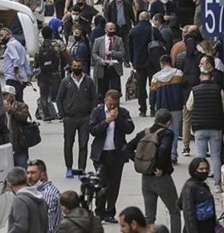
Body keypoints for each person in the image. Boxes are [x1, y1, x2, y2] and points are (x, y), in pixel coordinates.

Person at [123, 110, 181, 233]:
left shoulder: (143, 133)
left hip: (146, 178)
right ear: (168, 122)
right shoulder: (167, 134)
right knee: (174, 211)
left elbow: (127, 148)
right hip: (162, 178)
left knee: (149, 216)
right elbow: (164, 149)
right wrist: (158, 166)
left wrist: (141, 162)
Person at [89, 90, 135, 223]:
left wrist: (117, 119)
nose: (112, 107)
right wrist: (107, 121)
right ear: (105, 100)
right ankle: (99, 212)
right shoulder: (97, 112)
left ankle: (110, 212)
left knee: (114, 185)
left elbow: (130, 128)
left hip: (116, 154)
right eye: (110, 104)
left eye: (115, 104)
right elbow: (92, 130)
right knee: (102, 183)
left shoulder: (123, 112)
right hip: (101, 154)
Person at [185, 72, 224, 193]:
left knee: (200, 156)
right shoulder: (218, 90)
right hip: (216, 127)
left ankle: (200, 183)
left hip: (199, 127)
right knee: (215, 156)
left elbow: (189, 107)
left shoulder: (194, 90)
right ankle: (217, 185)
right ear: (212, 78)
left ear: (201, 77)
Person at [56, 59, 97, 177]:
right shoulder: (65, 81)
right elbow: (59, 98)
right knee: (68, 144)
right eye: (74, 66)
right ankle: (69, 167)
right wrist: (62, 114)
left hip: (85, 118)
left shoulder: (88, 81)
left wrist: (92, 113)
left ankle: (81, 169)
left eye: (78, 66)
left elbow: (94, 98)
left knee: (83, 145)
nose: (76, 68)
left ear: (82, 66)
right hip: (70, 118)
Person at [128, 12, 165, 117]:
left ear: (139, 18)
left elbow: (130, 48)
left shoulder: (133, 30)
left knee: (141, 86)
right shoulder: (154, 30)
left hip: (139, 62)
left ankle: (142, 109)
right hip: (152, 62)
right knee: (153, 86)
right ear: (149, 18)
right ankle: (153, 108)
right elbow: (162, 42)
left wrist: (132, 60)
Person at [149, 55, 185, 164]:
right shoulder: (178, 74)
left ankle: (164, 154)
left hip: (161, 107)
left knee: (162, 132)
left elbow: (152, 95)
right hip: (176, 106)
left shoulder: (155, 77)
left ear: (161, 64)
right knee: (174, 131)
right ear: (171, 62)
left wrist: (152, 106)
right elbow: (184, 88)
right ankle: (173, 154)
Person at [35, 26, 66, 121]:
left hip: (43, 73)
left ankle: (46, 115)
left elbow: (36, 61)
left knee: (43, 95)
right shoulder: (58, 43)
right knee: (58, 95)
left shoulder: (39, 45)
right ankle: (61, 114)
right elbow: (66, 55)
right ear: (52, 34)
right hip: (55, 73)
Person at [178, 157, 216, 233]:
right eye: (201, 169)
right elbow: (188, 214)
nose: (204, 171)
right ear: (194, 170)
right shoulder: (190, 187)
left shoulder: (202, 185)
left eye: (206, 168)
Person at [6, 167, 49, 233]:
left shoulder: (20, 201)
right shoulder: (40, 197)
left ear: (9, 184)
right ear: (27, 180)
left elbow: (21, 227)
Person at [92, 22, 126, 99]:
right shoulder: (98, 40)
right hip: (103, 67)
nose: (112, 30)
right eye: (110, 29)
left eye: (114, 29)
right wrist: (101, 60)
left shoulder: (119, 40)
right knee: (103, 89)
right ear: (105, 29)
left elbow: (123, 53)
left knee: (115, 89)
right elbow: (94, 53)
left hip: (114, 67)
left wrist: (112, 53)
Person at [27, 160, 62, 233]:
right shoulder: (38, 191)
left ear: (43, 175)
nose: (29, 176)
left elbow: (49, 226)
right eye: (28, 173)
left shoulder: (47, 195)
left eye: (33, 173)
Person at [104, 0, 136, 67]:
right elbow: (107, 16)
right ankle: (117, 60)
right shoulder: (110, 5)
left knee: (126, 44)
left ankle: (126, 61)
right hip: (115, 28)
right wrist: (108, 26)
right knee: (116, 44)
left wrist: (134, 24)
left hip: (125, 27)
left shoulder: (127, 4)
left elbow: (132, 15)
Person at [1, 27, 32, 102]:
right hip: (20, 78)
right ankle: (23, 112)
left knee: (11, 101)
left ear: (8, 35)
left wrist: (16, 72)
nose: (0, 38)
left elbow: (16, 58)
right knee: (19, 100)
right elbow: (24, 61)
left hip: (13, 78)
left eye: (2, 35)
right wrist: (28, 76)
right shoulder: (19, 44)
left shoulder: (10, 45)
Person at [4, 85, 32, 168]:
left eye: (6, 94)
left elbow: (23, 117)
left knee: (22, 167)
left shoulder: (21, 106)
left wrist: (10, 111)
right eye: (2, 95)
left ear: (12, 96)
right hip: (6, 145)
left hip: (19, 145)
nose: (4, 97)